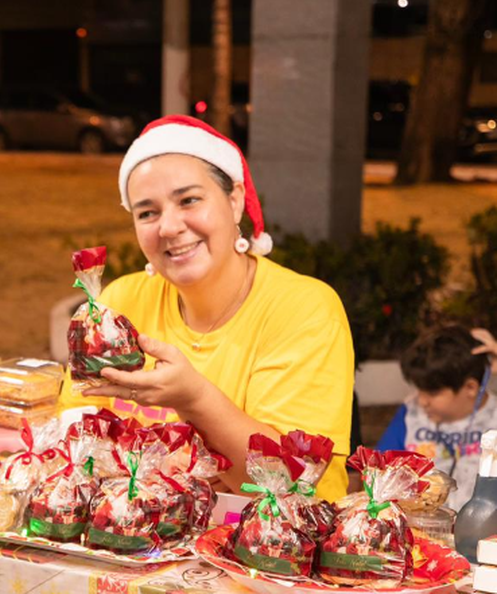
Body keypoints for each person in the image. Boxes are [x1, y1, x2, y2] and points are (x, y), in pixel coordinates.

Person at [66, 115, 355, 501]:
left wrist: (195, 400)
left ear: (234, 201)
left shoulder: (303, 310)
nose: (169, 226)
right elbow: (77, 434)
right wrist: (202, 464)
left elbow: (289, 486)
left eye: (189, 200)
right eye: (147, 212)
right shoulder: (119, 305)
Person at [376, 326, 497, 510]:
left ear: (471, 387)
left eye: (432, 392)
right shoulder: (410, 414)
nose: (422, 401)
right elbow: (378, 474)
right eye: (419, 390)